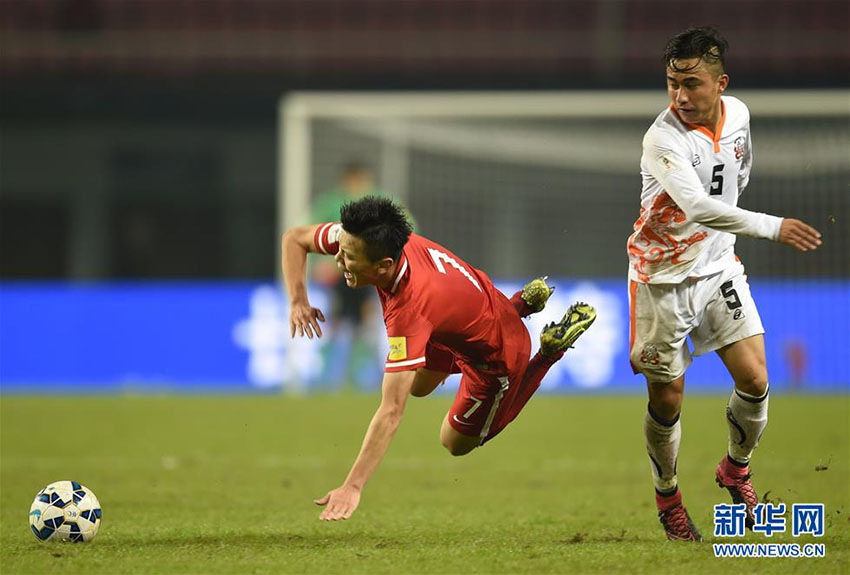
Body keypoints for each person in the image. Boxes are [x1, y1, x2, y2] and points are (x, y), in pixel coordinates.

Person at [283, 196, 596, 521]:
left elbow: (391, 412)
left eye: (348, 257)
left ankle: (547, 352)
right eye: (339, 250)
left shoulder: (409, 310)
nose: (338, 261)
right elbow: (294, 239)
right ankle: (518, 306)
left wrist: (353, 486)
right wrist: (297, 301)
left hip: (497, 355)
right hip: (467, 312)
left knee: (454, 442)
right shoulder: (372, 237)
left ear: (384, 266)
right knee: (418, 385)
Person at [626, 27, 822, 541]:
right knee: (668, 399)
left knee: (756, 379)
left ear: (720, 83)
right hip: (662, 279)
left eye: (690, 84)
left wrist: (727, 242)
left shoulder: (739, 116)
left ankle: (735, 468)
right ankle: (668, 496)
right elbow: (698, 206)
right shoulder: (662, 138)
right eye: (671, 84)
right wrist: (771, 226)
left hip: (717, 268)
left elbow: (740, 173)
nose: (680, 96)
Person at [310, 163, 390, 389]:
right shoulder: (330, 203)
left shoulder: (381, 202)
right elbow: (312, 233)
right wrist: (319, 263)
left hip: (369, 277)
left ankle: (364, 378)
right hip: (339, 277)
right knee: (335, 326)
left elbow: (409, 229)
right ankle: (328, 378)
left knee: (367, 327)